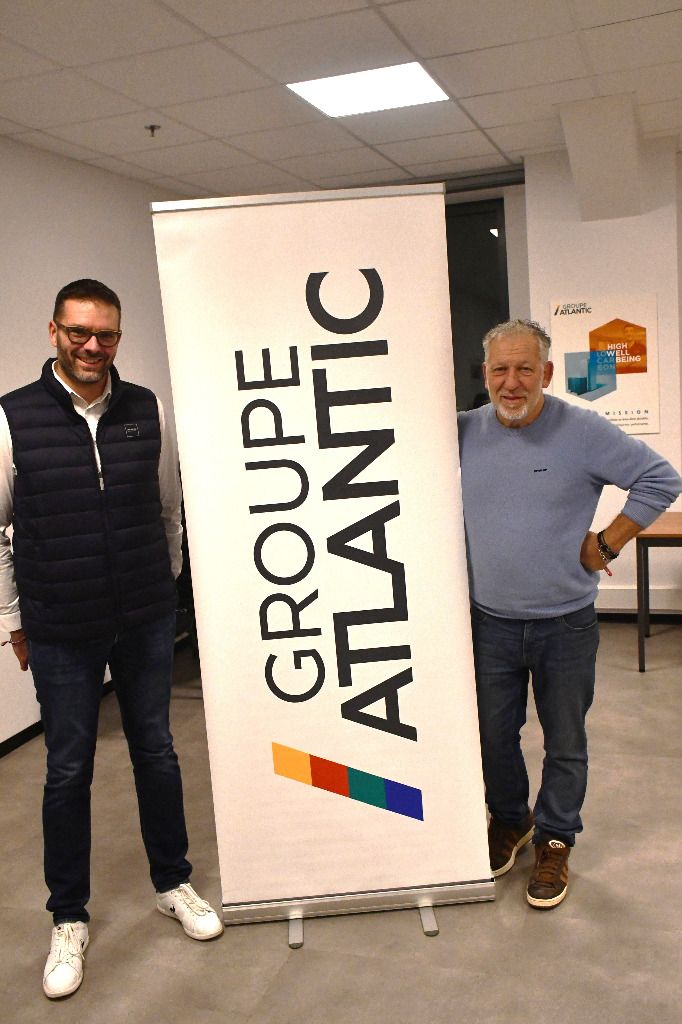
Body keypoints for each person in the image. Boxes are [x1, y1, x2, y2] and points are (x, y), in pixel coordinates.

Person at [0, 280, 223, 999]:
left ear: (118, 337)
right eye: (79, 332)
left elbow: (168, 509)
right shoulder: (12, 418)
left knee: (156, 751)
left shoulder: (147, 409)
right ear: (54, 332)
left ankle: (173, 882)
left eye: (107, 334)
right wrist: (13, 618)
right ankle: (68, 917)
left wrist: (164, 585)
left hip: (144, 618)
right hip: (61, 627)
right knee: (68, 769)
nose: (93, 346)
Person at [457, 318, 681, 910]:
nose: (511, 382)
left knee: (565, 739)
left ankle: (555, 838)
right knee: (492, 736)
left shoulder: (582, 431)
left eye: (524, 369)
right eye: (500, 369)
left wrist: (607, 542)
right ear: (485, 373)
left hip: (565, 624)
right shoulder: (462, 432)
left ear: (547, 373)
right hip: (489, 622)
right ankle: (512, 820)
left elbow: (661, 479)